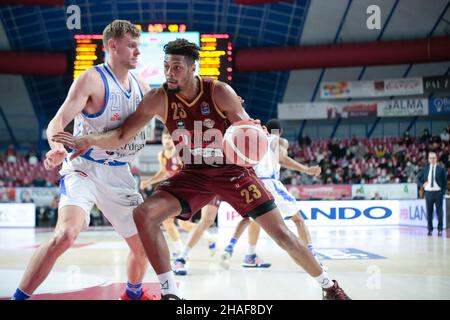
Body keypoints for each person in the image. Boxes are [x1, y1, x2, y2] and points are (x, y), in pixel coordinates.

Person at [53, 39, 350, 300]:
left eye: (177, 67)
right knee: (144, 214)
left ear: (192, 67)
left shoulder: (219, 91)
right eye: (166, 66)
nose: (169, 73)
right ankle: (170, 292)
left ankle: (328, 285)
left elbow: (248, 131)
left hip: (230, 172)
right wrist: (89, 139)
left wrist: (252, 136)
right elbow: (120, 135)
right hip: (193, 175)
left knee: (282, 234)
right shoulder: (158, 99)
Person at [11, 20, 157, 300]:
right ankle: (20, 297)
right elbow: (58, 121)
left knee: (145, 245)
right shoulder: (92, 79)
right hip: (84, 168)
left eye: (139, 46)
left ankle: (132, 294)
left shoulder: (142, 85)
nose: (138, 52)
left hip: (119, 173)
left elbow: (169, 114)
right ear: (112, 46)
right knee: (65, 234)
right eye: (132, 45)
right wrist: (56, 147)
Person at [220, 119, 325, 271]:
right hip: (269, 183)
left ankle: (246, 254)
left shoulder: (254, 141)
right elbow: (282, 158)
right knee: (298, 220)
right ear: (279, 132)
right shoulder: (278, 140)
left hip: (252, 183)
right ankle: (312, 257)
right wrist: (306, 169)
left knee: (253, 220)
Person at [140, 128, 215, 262]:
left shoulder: (181, 153)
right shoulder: (161, 155)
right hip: (174, 192)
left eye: (170, 138)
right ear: (162, 140)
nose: (168, 141)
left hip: (186, 191)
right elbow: (164, 172)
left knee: (167, 220)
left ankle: (180, 251)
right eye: (165, 138)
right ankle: (207, 237)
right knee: (183, 225)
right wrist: (149, 181)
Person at [416, 152, 448, 237]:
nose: (432, 159)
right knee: (429, 212)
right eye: (430, 158)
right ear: (428, 159)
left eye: (433, 158)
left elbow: (445, 182)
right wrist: (422, 184)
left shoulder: (441, 169)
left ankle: (440, 229)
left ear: (436, 158)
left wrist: (442, 192)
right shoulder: (425, 169)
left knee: (439, 212)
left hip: (438, 193)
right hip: (428, 193)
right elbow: (417, 178)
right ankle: (429, 229)